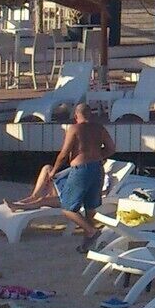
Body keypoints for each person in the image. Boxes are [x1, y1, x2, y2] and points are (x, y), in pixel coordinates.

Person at [49, 102, 114, 250]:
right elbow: (111, 148)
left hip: (81, 170)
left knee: (67, 208)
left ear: (76, 115)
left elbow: (64, 154)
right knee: (90, 209)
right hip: (97, 168)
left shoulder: (75, 129)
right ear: (90, 114)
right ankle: (87, 245)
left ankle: (92, 231)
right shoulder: (99, 128)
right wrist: (98, 156)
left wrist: (54, 171)